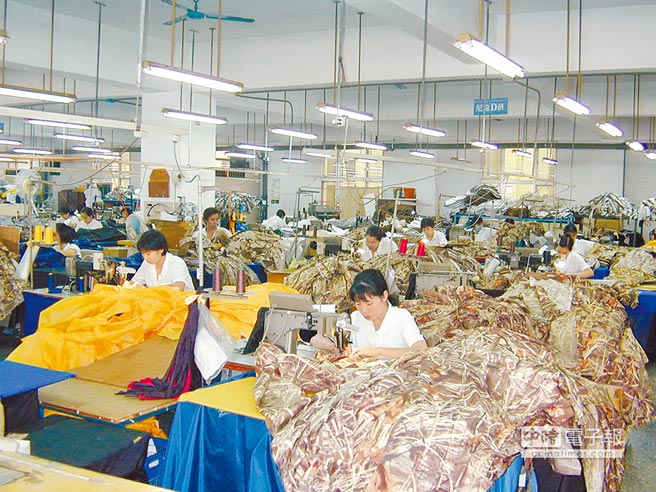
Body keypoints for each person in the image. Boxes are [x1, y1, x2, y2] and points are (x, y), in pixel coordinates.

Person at [311, 269, 427, 358]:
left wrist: (377, 352)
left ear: (384, 296)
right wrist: (335, 346)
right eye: (358, 304)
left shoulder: (401, 318)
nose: (364, 310)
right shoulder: (355, 320)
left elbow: (421, 350)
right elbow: (316, 339)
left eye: (369, 303)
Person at [129, 229, 194, 291]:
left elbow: (178, 288)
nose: (145, 257)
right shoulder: (147, 263)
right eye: (143, 254)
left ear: (161, 250)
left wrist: (150, 290)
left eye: (148, 254)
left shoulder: (176, 263)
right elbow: (132, 283)